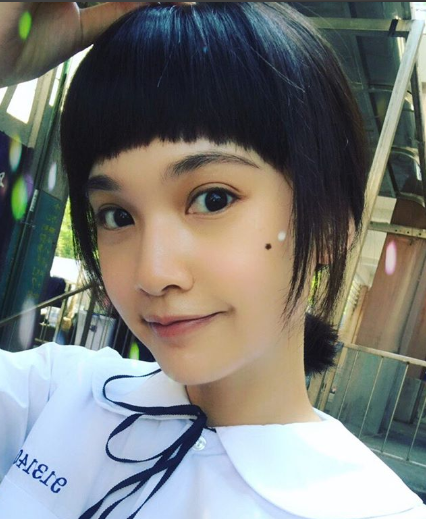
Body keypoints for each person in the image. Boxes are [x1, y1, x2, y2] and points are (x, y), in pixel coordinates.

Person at [0, 2, 424, 518]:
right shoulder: (53, 394)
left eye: (213, 199)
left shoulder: (372, 509)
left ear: (332, 225)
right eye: (117, 215)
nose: (153, 273)